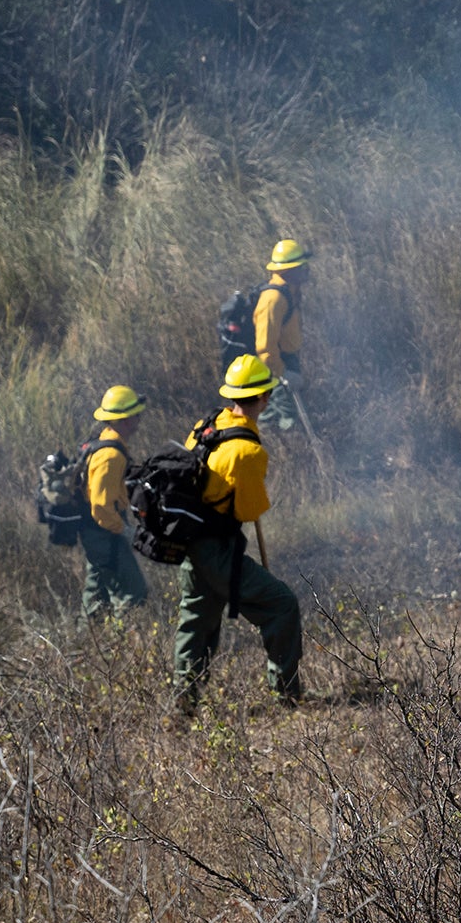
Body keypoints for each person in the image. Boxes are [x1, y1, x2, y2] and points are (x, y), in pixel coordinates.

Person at [173, 354, 304, 719]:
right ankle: (287, 695)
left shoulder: (209, 424)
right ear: (263, 398)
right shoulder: (247, 452)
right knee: (281, 605)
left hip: (191, 541)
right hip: (217, 548)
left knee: (196, 622)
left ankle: (183, 707)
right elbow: (249, 512)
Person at [78, 385, 150, 620]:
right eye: (136, 415)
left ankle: (86, 643)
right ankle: (118, 647)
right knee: (133, 592)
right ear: (124, 420)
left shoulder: (106, 444)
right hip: (104, 531)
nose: (139, 420)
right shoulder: (111, 455)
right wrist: (124, 531)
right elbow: (100, 505)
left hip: (97, 530)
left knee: (97, 593)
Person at [231, 237, 310, 433]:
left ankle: (269, 441)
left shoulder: (289, 290)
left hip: (285, 361)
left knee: (270, 416)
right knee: (287, 418)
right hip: (276, 365)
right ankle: (288, 455)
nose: (306, 270)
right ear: (289, 270)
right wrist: (283, 374)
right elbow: (265, 348)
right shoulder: (273, 300)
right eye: (301, 267)